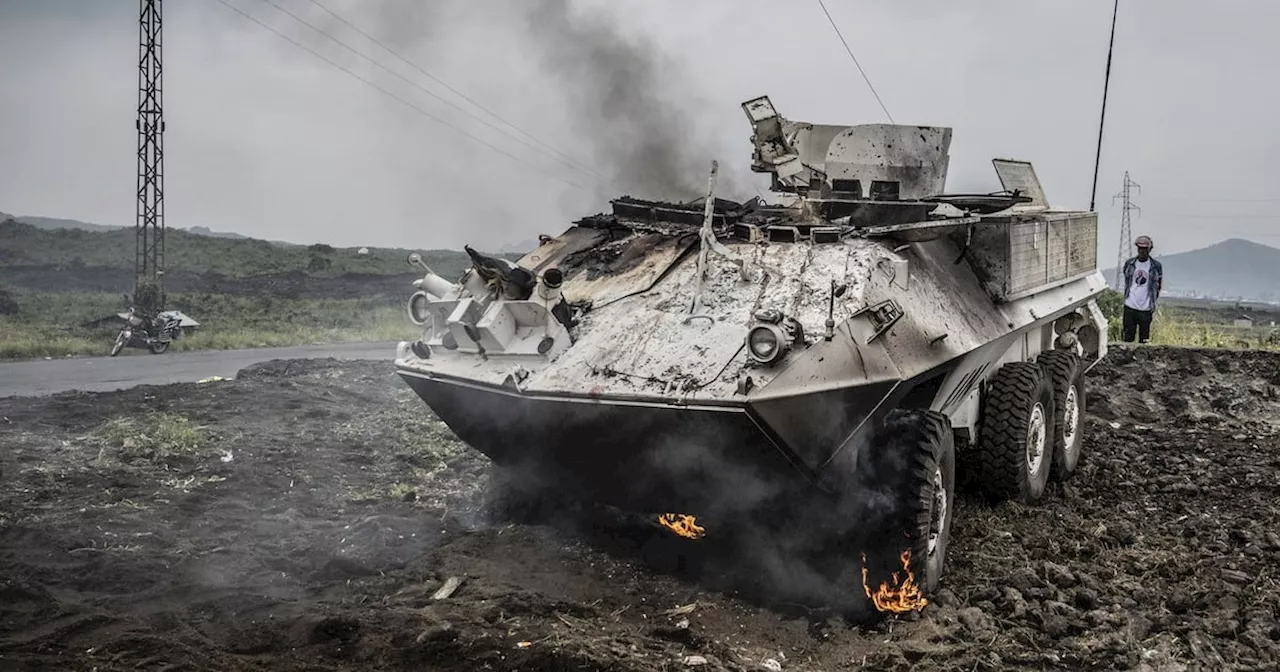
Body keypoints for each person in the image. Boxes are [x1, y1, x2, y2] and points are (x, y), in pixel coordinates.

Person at [1121, 235, 1162, 343]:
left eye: (1144, 249)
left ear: (1149, 250)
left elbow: (1158, 286)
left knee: (1144, 340)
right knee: (1127, 338)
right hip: (1130, 305)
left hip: (1146, 308)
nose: (1142, 251)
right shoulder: (1130, 264)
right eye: (1140, 248)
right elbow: (1127, 280)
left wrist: (1152, 301)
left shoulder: (1156, 266)